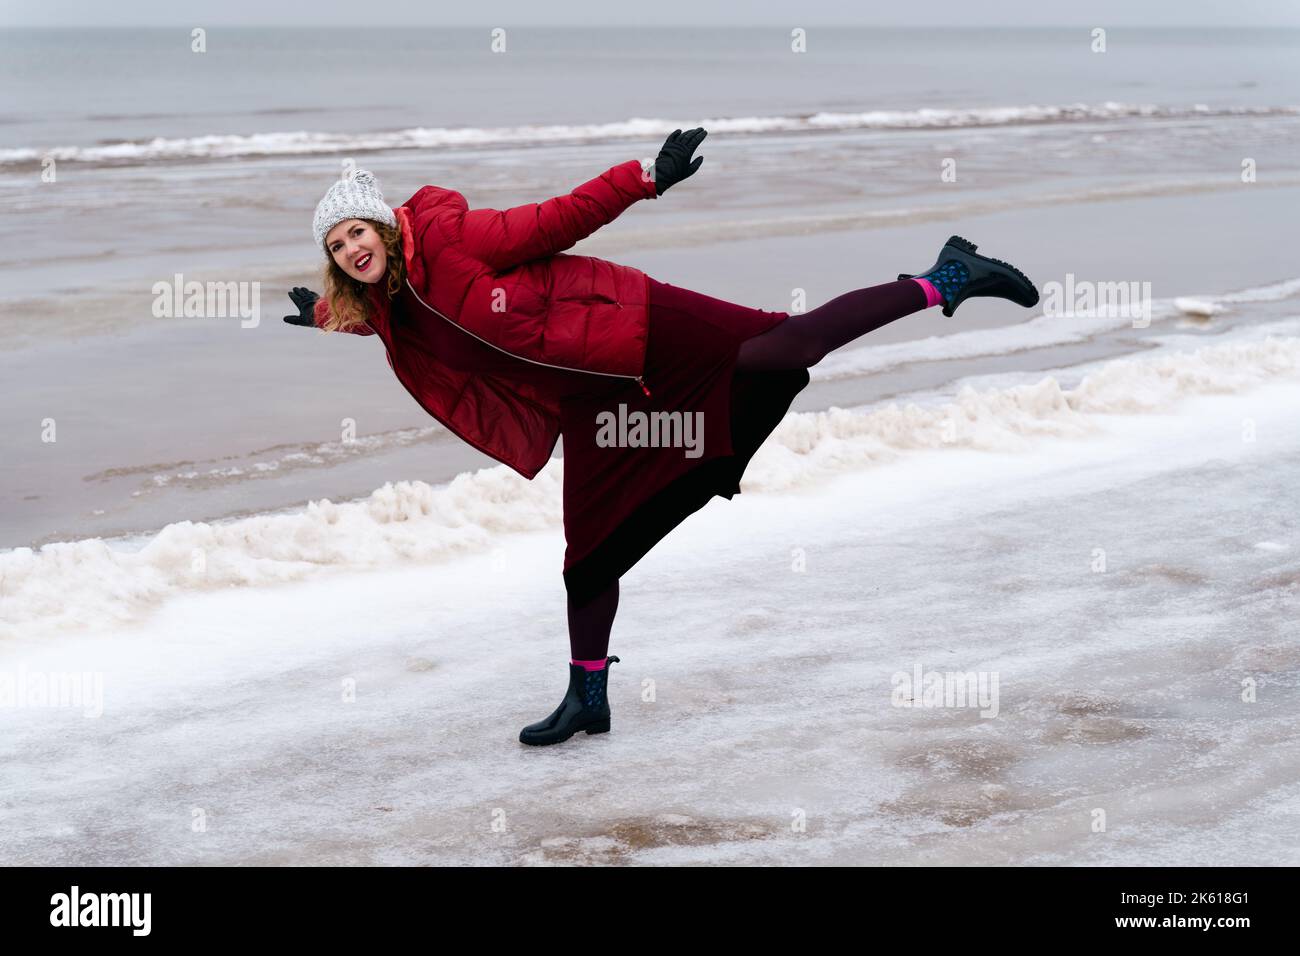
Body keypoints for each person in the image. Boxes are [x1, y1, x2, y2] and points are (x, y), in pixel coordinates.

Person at [284, 128, 1040, 746]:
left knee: (786, 346)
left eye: (358, 230)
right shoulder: (387, 308)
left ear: (382, 225)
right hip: (593, 397)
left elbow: (554, 219)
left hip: (641, 325)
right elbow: (389, 326)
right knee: (589, 558)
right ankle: (588, 697)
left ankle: (946, 278)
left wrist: (644, 176)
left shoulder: (453, 241)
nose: (352, 247)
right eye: (339, 245)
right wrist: (321, 317)